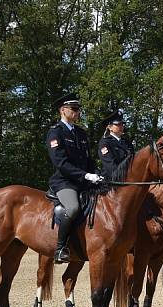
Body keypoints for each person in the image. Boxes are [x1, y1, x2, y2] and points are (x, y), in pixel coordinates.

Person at [46, 93, 101, 264]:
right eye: (74, 109)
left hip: (84, 181)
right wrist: (84, 175)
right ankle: (61, 248)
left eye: (79, 109)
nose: (78, 113)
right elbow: (60, 162)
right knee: (73, 207)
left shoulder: (81, 133)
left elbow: (88, 159)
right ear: (63, 110)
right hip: (64, 182)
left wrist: (96, 174)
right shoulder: (55, 132)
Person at [97, 111, 134, 178]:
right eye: (118, 124)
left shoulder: (127, 143)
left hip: (129, 180)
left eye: (122, 124)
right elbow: (110, 166)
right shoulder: (105, 143)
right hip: (112, 181)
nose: (121, 127)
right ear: (110, 127)